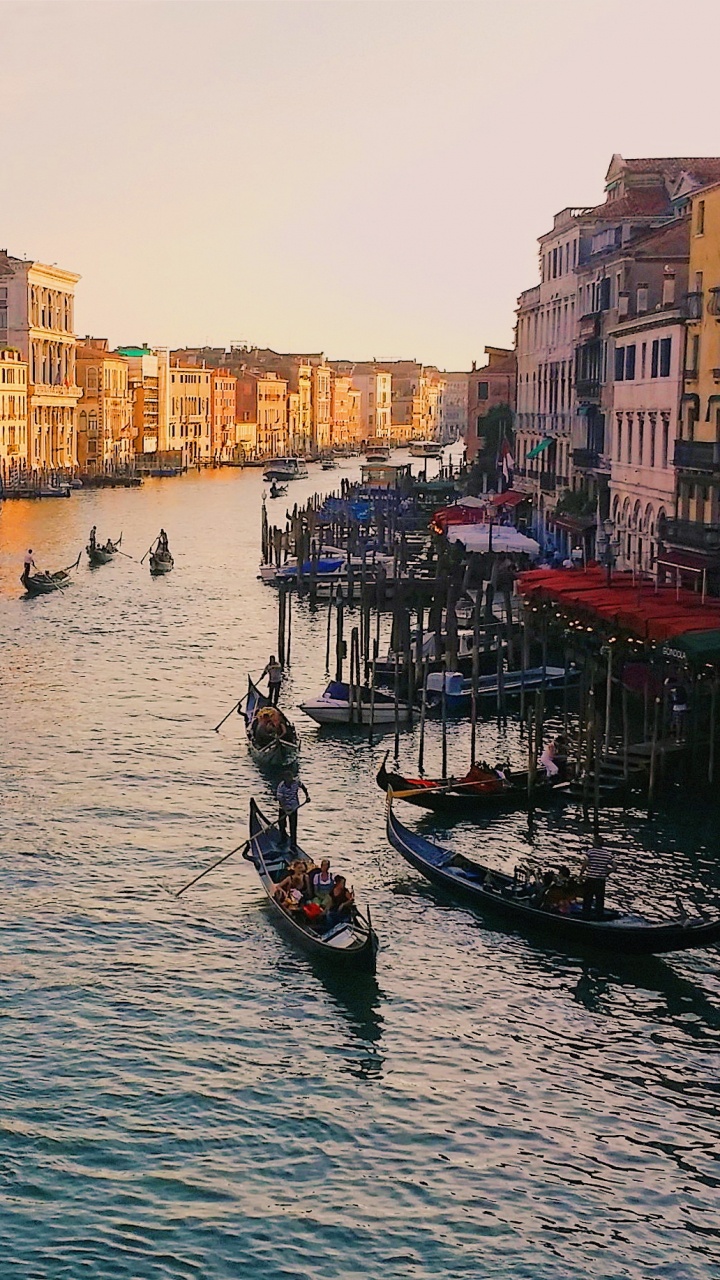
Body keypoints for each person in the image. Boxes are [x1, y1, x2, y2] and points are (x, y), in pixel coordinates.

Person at [580, 839, 615, 919]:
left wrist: (581, 874)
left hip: (591, 878)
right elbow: (614, 867)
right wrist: (607, 872)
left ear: (595, 843)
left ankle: (585, 915)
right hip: (601, 880)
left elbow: (585, 862)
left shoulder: (591, 852)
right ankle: (599, 915)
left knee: (588, 898)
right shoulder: (607, 854)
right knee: (599, 898)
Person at [276, 769, 309, 851]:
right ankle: (283, 840)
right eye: (289, 779)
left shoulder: (296, 782)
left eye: (291, 779)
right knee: (282, 825)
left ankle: (293, 844)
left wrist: (307, 796)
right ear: (285, 779)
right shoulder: (281, 787)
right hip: (283, 808)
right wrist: (286, 810)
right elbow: (281, 800)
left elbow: (303, 787)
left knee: (293, 826)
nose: (290, 780)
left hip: (294, 808)